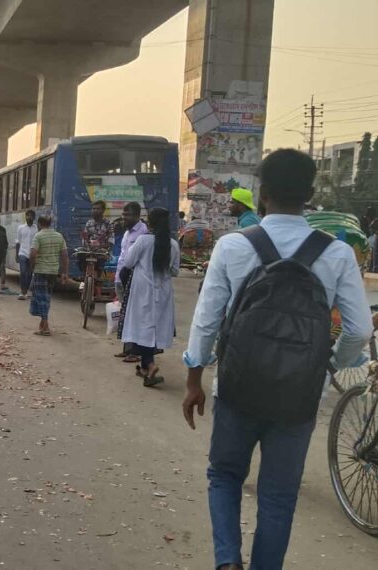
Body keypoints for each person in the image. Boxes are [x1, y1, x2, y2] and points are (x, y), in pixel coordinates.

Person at [182, 149, 372, 570]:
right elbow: (359, 329)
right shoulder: (337, 253)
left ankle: (227, 561)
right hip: (299, 395)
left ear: (262, 194)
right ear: (310, 194)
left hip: (238, 385)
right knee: (279, 494)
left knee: (225, 475)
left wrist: (194, 379)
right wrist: (329, 364)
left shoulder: (232, 246)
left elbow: (207, 319)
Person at [119, 207, 179, 387]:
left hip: (142, 289)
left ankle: (151, 365)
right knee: (153, 328)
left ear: (150, 222)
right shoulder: (173, 245)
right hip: (163, 290)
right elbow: (175, 271)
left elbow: (128, 263)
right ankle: (145, 366)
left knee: (143, 327)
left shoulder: (143, 241)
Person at [115, 202, 148, 363]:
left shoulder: (143, 233)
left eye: (127, 215)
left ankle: (136, 352)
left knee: (134, 316)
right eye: (123, 214)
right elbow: (123, 256)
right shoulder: (127, 233)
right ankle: (127, 348)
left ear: (136, 216)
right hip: (121, 277)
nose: (124, 218)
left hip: (134, 279)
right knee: (125, 315)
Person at [28, 214, 68, 336]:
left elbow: (33, 254)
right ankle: (43, 323)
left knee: (41, 298)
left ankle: (45, 327)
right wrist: (64, 272)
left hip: (41, 271)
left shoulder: (38, 236)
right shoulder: (59, 236)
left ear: (39, 224)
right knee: (46, 298)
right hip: (53, 272)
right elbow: (65, 256)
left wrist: (32, 267)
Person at [14, 209, 37, 300]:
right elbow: (18, 242)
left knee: (30, 274)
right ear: (25, 217)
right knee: (23, 272)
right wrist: (17, 255)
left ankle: (25, 291)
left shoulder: (36, 228)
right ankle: (22, 292)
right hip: (22, 253)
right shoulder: (21, 228)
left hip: (32, 254)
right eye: (27, 215)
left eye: (31, 216)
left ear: (34, 218)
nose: (29, 217)